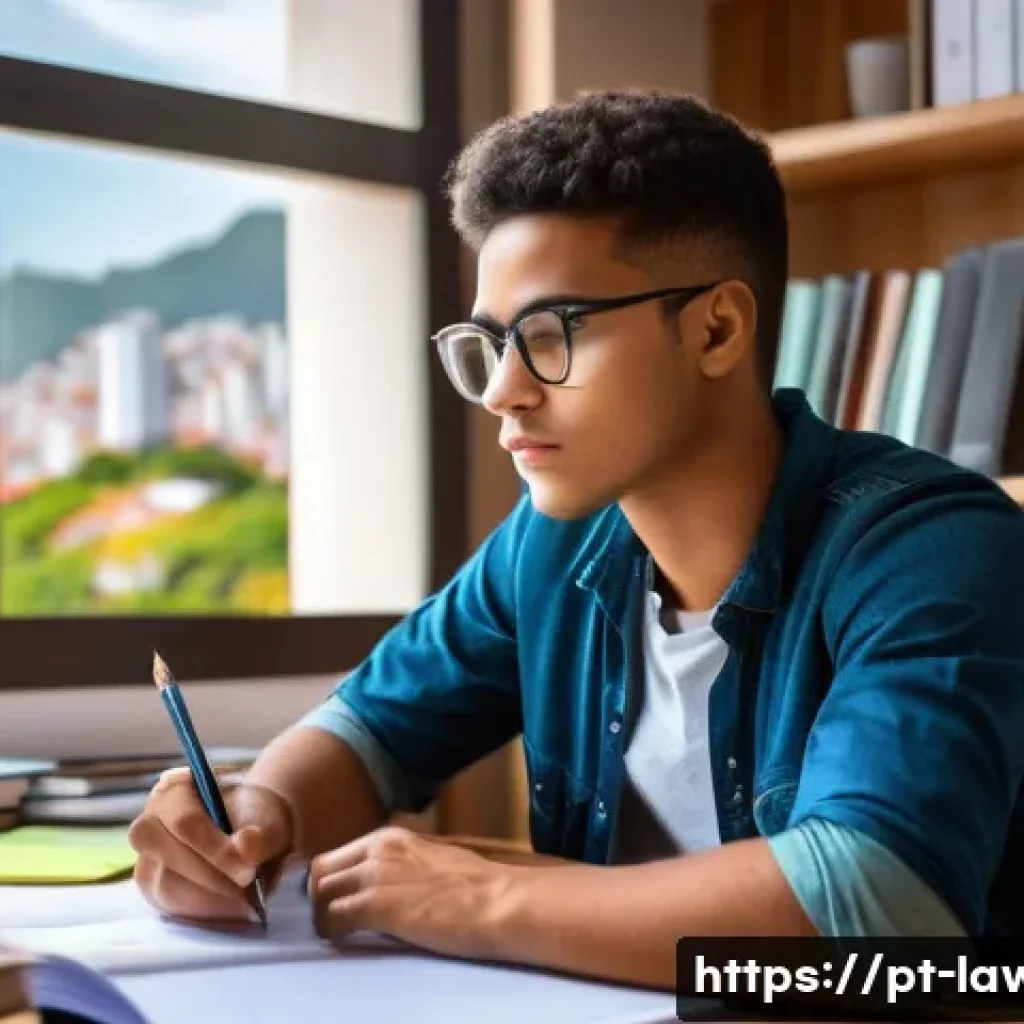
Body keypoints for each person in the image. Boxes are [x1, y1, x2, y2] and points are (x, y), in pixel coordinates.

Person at [128, 89, 1024, 991]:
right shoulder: (554, 546)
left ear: (717, 328)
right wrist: (254, 811)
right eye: (487, 345)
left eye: (552, 336)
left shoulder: (935, 548)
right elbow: (369, 731)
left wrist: (483, 900)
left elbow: (879, 912)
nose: (501, 392)